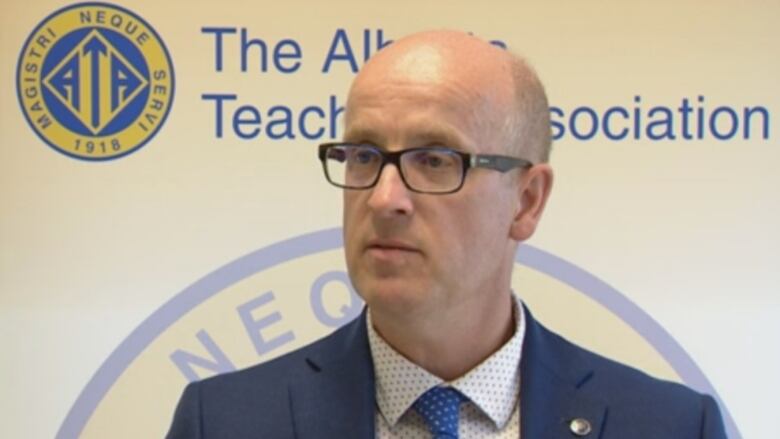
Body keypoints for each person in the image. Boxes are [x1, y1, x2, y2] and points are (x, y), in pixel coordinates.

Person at [167, 30, 727, 438]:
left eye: (435, 160)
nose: (385, 199)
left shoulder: (669, 426)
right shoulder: (223, 422)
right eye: (364, 156)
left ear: (526, 201)